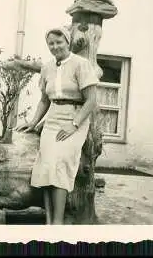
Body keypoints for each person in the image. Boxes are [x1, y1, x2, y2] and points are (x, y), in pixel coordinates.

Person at [15, 26, 99, 225]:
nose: (55, 47)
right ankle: (49, 220)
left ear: (68, 42)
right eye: (51, 43)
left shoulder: (81, 64)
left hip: (76, 118)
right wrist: (33, 122)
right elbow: (45, 100)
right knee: (46, 165)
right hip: (52, 120)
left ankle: (58, 223)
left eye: (59, 42)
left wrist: (74, 125)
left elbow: (91, 101)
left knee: (60, 162)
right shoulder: (47, 67)